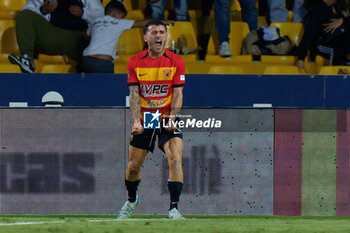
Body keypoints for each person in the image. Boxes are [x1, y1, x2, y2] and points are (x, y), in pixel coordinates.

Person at [118, 20, 186, 219]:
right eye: (154, 32)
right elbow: (134, 94)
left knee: (175, 160)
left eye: (162, 32)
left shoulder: (176, 61)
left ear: (166, 36)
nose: (159, 36)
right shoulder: (135, 62)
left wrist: (173, 118)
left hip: (166, 116)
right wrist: (136, 121)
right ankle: (132, 200)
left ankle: (174, 208)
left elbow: (178, 94)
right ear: (145, 37)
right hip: (146, 116)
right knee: (133, 166)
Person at [8, 0, 104, 73]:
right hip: (52, 35)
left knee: (93, 53)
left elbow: (101, 14)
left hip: (78, 40)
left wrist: (83, 12)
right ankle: (27, 59)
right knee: (25, 15)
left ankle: (89, 86)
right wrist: (43, 10)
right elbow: (29, 9)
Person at [81, 1, 174, 73]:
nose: (121, 19)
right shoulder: (118, 22)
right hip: (102, 62)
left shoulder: (95, 21)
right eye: (120, 16)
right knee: (108, 92)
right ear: (115, 13)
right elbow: (143, 23)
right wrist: (164, 22)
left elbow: (86, 35)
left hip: (85, 60)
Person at [296, 0, 350, 72]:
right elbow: (309, 34)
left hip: (342, 43)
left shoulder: (344, 7)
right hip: (325, 44)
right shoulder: (320, 9)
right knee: (337, 51)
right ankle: (334, 76)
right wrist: (301, 58)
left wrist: (343, 20)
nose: (325, 0)